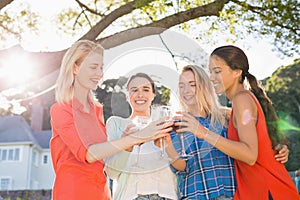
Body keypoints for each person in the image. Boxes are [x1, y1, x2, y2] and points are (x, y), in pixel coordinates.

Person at [49, 40, 173, 200]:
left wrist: (125, 142)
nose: (100, 73)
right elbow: (88, 153)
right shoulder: (61, 109)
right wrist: (137, 137)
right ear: (75, 68)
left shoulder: (96, 110)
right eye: (93, 67)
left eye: (101, 67)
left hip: (101, 192)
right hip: (73, 192)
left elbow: (105, 158)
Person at [175, 45, 298, 199]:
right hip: (255, 190)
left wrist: (202, 132)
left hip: (269, 190)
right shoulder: (236, 105)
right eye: (211, 71)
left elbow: (249, 155)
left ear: (237, 72)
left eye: (217, 71)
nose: (211, 77)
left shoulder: (242, 99)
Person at [105, 72, 178, 200]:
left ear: (153, 95)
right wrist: (127, 145)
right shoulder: (116, 124)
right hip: (132, 196)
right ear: (127, 95)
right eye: (134, 90)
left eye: (146, 89)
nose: (140, 95)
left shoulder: (165, 124)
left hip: (168, 195)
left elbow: (179, 165)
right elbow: (111, 173)